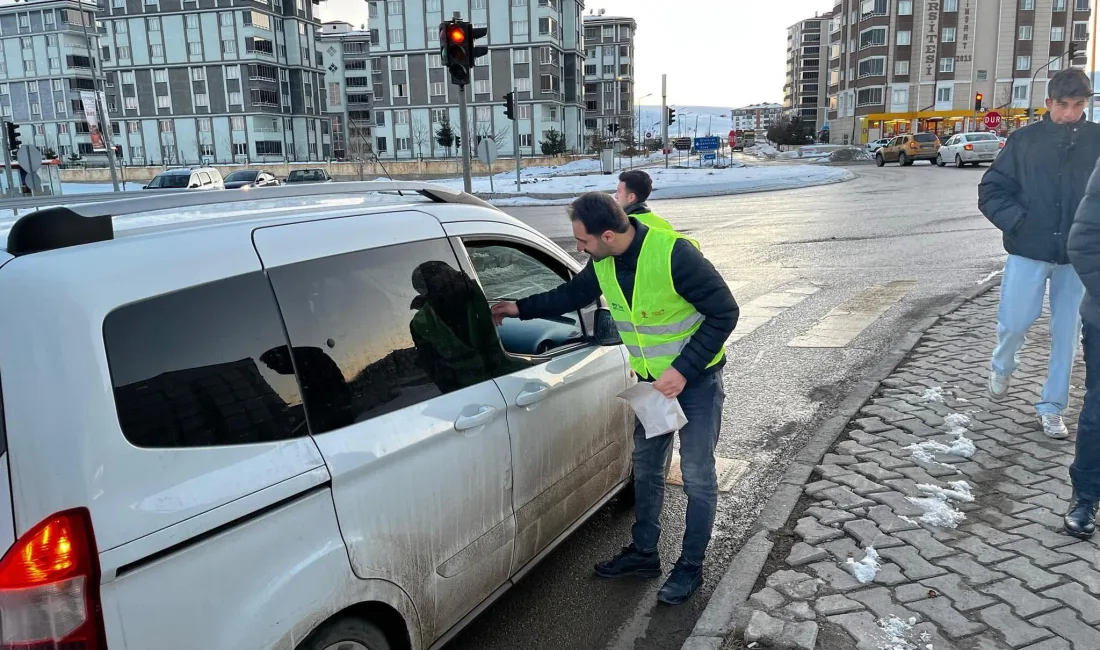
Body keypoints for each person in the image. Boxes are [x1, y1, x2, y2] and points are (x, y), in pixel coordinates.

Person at [490, 192, 738, 605]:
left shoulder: (674, 254)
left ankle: (690, 566)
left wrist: (683, 370)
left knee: (696, 477)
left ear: (608, 234)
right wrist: (517, 308)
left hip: (695, 384)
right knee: (645, 468)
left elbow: (724, 312)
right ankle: (644, 554)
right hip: (651, 387)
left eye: (583, 241)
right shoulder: (603, 260)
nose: (578, 249)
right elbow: (571, 296)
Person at [978, 68, 1100, 439]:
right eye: (1062, 105)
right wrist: (1020, 222)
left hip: (1076, 258)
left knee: (1067, 333)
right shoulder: (1024, 140)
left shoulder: (1097, 140)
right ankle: (1002, 364)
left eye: (1078, 105)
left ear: (1087, 104)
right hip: (1028, 249)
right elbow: (992, 190)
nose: (1069, 113)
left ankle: (1052, 405)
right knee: (1015, 322)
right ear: (1048, 103)